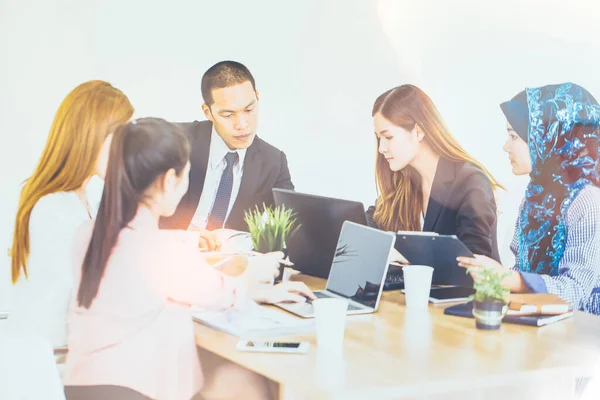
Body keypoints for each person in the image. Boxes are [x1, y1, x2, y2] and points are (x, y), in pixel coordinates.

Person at [63, 118, 305, 400]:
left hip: (84, 388)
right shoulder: (156, 250)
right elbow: (218, 292)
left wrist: (251, 289)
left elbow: (178, 286)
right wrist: (254, 272)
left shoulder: (88, 234)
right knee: (245, 384)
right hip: (136, 391)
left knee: (230, 378)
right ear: (168, 180)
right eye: (186, 175)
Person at [9, 80, 134, 350]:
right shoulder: (51, 209)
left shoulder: (85, 198)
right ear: (92, 136)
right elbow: (94, 296)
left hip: (77, 351)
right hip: (55, 363)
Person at [459, 82, 600, 315]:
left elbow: (576, 291)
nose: (506, 146)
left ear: (548, 137)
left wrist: (510, 279)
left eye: (513, 136)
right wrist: (492, 282)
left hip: (581, 337)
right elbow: (522, 270)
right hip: (538, 325)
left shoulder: (588, 201)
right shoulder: (535, 197)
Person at [367, 84, 503, 260]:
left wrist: (407, 259)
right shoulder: (404, 179)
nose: (381, 148)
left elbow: (475, 263)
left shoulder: (470, 181)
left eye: (388, 137)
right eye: (379, 138)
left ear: (418, 131)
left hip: (469, 288)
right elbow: (373, 221)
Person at [159, 60, 295, 232]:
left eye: (249, 110)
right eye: (228, 115)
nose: (242, 124)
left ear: (257, 98)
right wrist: (186, 241)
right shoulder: (174, 141)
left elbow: (293, 222)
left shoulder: (274, 162)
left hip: (233, 255)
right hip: (168, 252)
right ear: (208, 112)